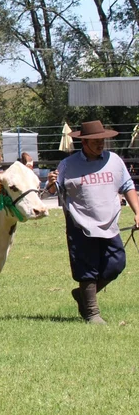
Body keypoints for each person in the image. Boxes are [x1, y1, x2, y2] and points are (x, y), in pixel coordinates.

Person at [46, 120, 139, 324]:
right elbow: (53, 190)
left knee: (116, 263)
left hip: (110, 224)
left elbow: (127, 185)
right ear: (84, 142)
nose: (100, 144)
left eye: (102, 140)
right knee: (86, 269)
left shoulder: (114, 161)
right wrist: (51, 183)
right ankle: (92, 313)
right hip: (80, 224)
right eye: (95, 141)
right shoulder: (68, 165)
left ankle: (83, 295)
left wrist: (138, 211)